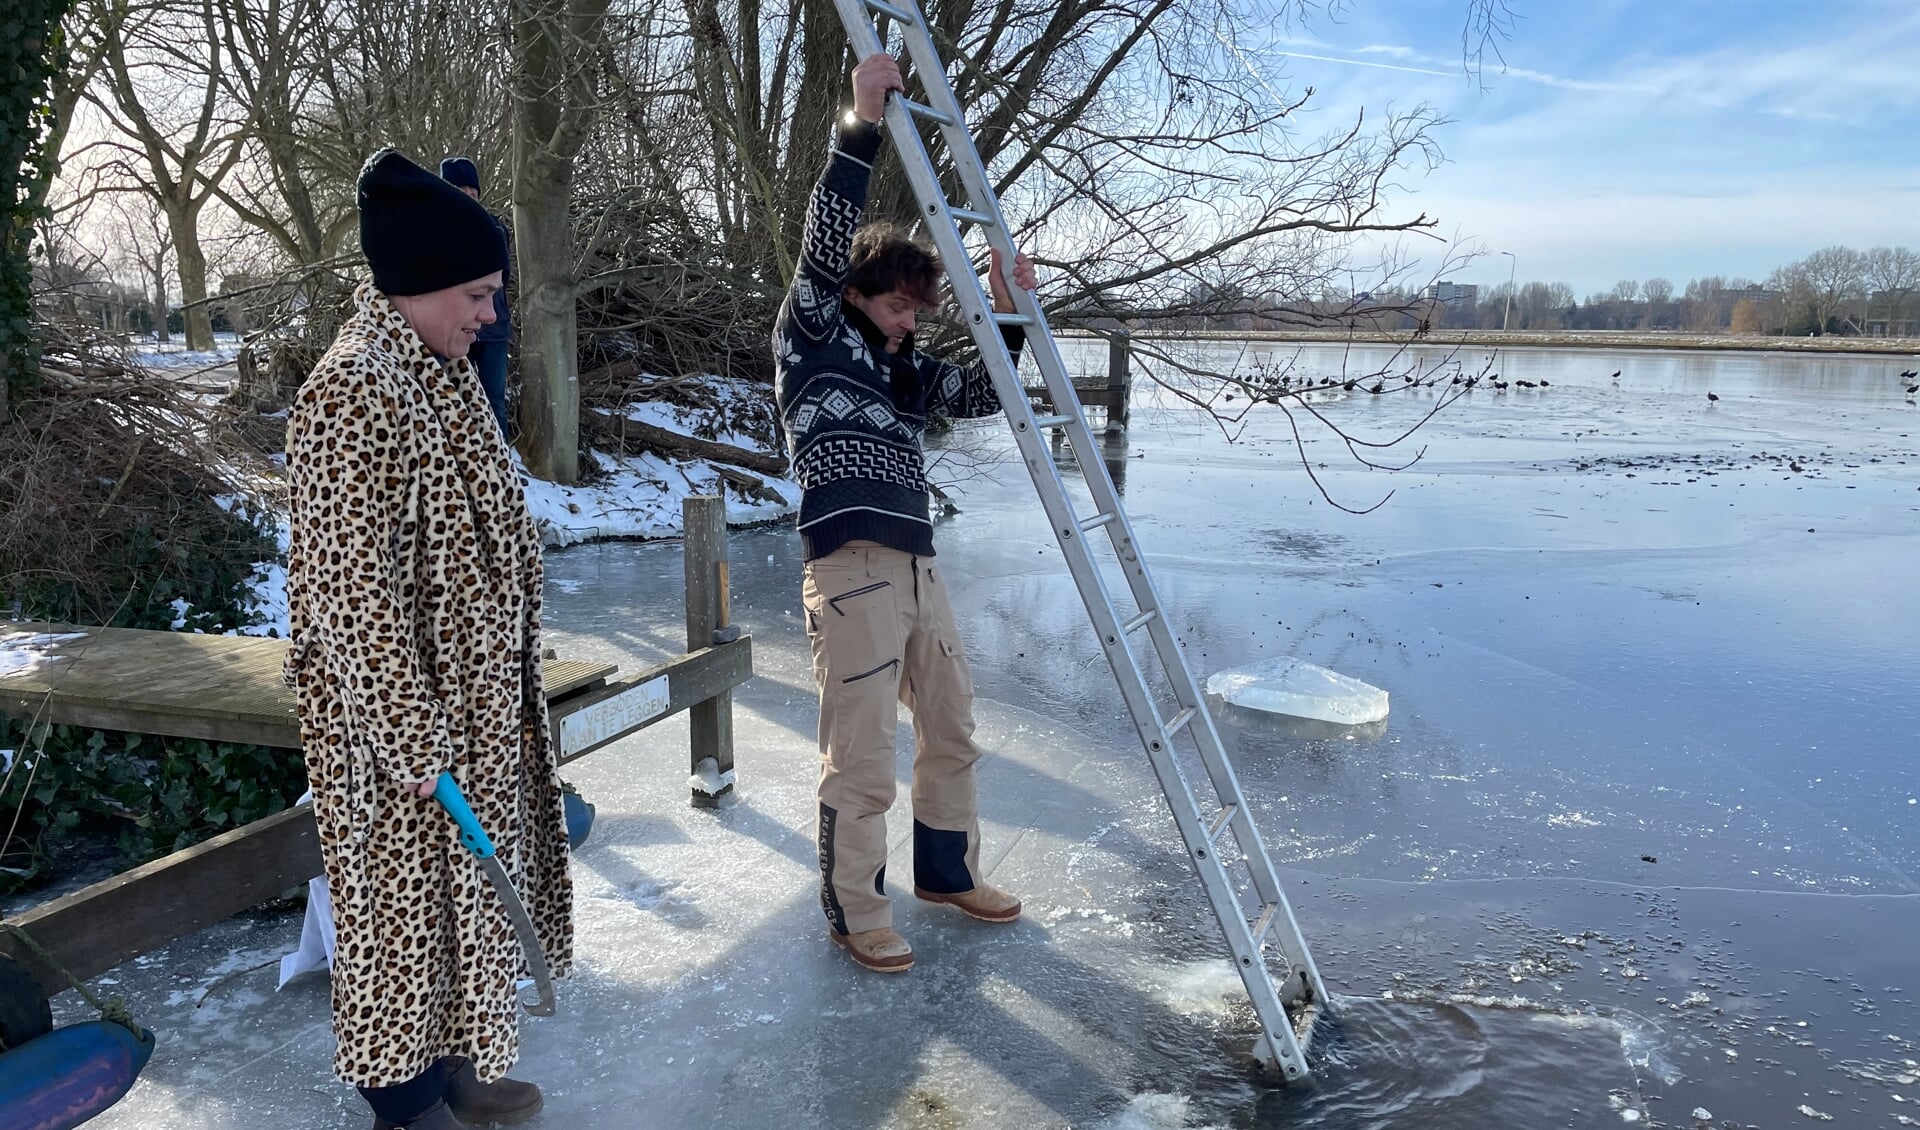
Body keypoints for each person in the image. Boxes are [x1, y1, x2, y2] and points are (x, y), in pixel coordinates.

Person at [282, 149, 572, 1130]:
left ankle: (453, 1068)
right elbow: (351, 593)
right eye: (479, 294)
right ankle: (402, 1103)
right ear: (419, 284)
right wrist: (409, 738)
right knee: (399, 922)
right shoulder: (350, 395)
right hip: (398, 736)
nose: (490, 313)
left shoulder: (439, 372)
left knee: (463, 909)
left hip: (471, 709)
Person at [774, 53, 1039, 974]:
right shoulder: (810, 332)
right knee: (861, 753)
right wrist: (861, 122)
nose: (907, 323)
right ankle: (854, 911)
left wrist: (1008, 316)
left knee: (953, 727)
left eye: (918, 312)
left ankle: (944, 873)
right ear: (855, 296)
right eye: (895, 306)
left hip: (919, 564)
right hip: (850, 567)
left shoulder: (901, 368)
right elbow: (823, 236)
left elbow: (978, 394)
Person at [439, 157, 513, 439]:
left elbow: (501, 279)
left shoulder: (495, 229)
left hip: (493, 328)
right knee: (452, 396)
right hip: (453, 330)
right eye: (461, 191)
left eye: (473, 192)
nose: (469, 198)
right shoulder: (434, 232)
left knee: (494, 398)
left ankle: (500, 462)